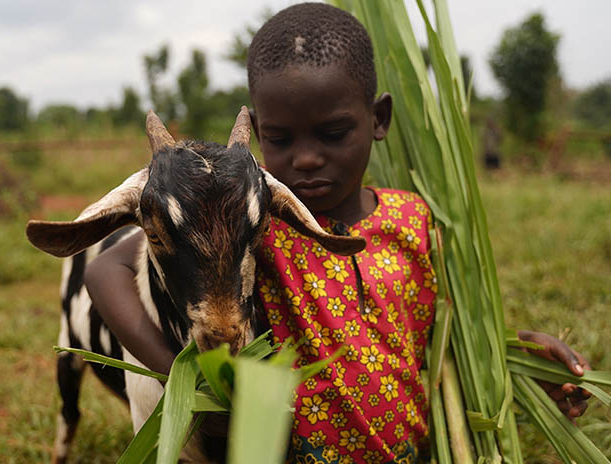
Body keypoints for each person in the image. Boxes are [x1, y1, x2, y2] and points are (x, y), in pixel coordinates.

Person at [85, 3, 590, 463]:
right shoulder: (256, 226)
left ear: (379, 120)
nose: (305, 158)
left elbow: (441, 336)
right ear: (260, 134)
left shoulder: (414, 220)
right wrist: (180, 375)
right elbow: (106, 268)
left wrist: (520, 354)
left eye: (332, 134)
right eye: (281, 139)